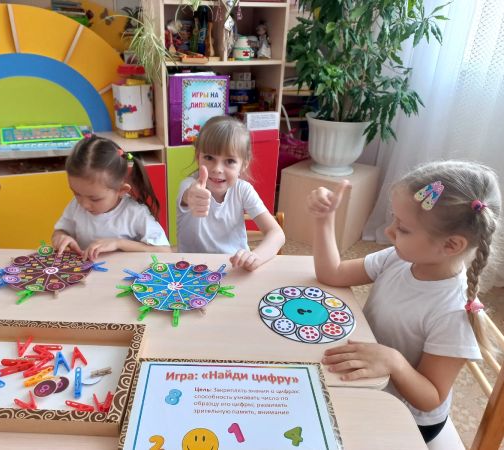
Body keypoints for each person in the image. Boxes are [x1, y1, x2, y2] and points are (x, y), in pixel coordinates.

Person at [306, 160, 501, 443]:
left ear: (450, 245)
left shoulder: (453, 312)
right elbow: (332, 273)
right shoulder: (398, 258)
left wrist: (394, 362)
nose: (389, 231)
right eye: (393, 220)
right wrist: (324, 220)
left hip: (408, 417)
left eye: (403, 228)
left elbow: (431, 398)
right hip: (371, 379)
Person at [177, 115, 285, 271]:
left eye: (229, 161)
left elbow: (277, 233)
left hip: (233, 268)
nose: (217, 169)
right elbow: (189, 195)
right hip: (192, 270)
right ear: (198, 157)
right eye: (209, 157)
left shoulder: (243, 189)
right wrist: (190, 197)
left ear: (244, 164)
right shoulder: (188, 185)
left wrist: (256, 256)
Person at [52, 135, 170, 260]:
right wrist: (61, 237)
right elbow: (60, 231)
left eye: (95, 199)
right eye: (76, 193)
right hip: (85, 271)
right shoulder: (75, 206)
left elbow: (165, 251)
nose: (84, 204)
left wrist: (118, 243)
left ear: (121, 190)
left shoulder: (135, 213)